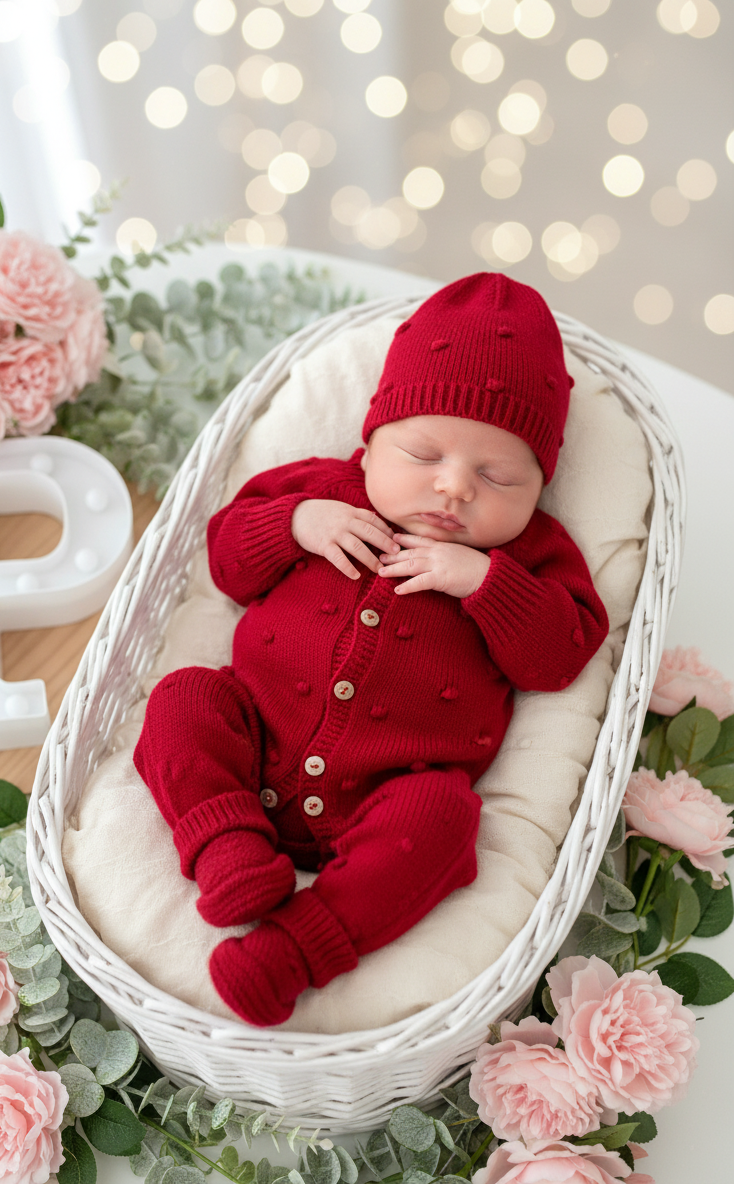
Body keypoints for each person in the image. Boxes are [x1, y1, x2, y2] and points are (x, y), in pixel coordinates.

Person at [133, 272, 609, 1027]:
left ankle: (293, 952)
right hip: (252, 736)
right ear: (372, 438)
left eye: (496, 476)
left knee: (447, 819)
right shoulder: (322, 492)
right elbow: (224, 559)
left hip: (391, 796)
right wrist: (296, 524)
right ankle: (228, 848)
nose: (454, 488)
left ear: (536, 485)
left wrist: (487, 582)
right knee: (184, 697)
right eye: (423, 454)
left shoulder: (532, 557)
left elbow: (562, 655)